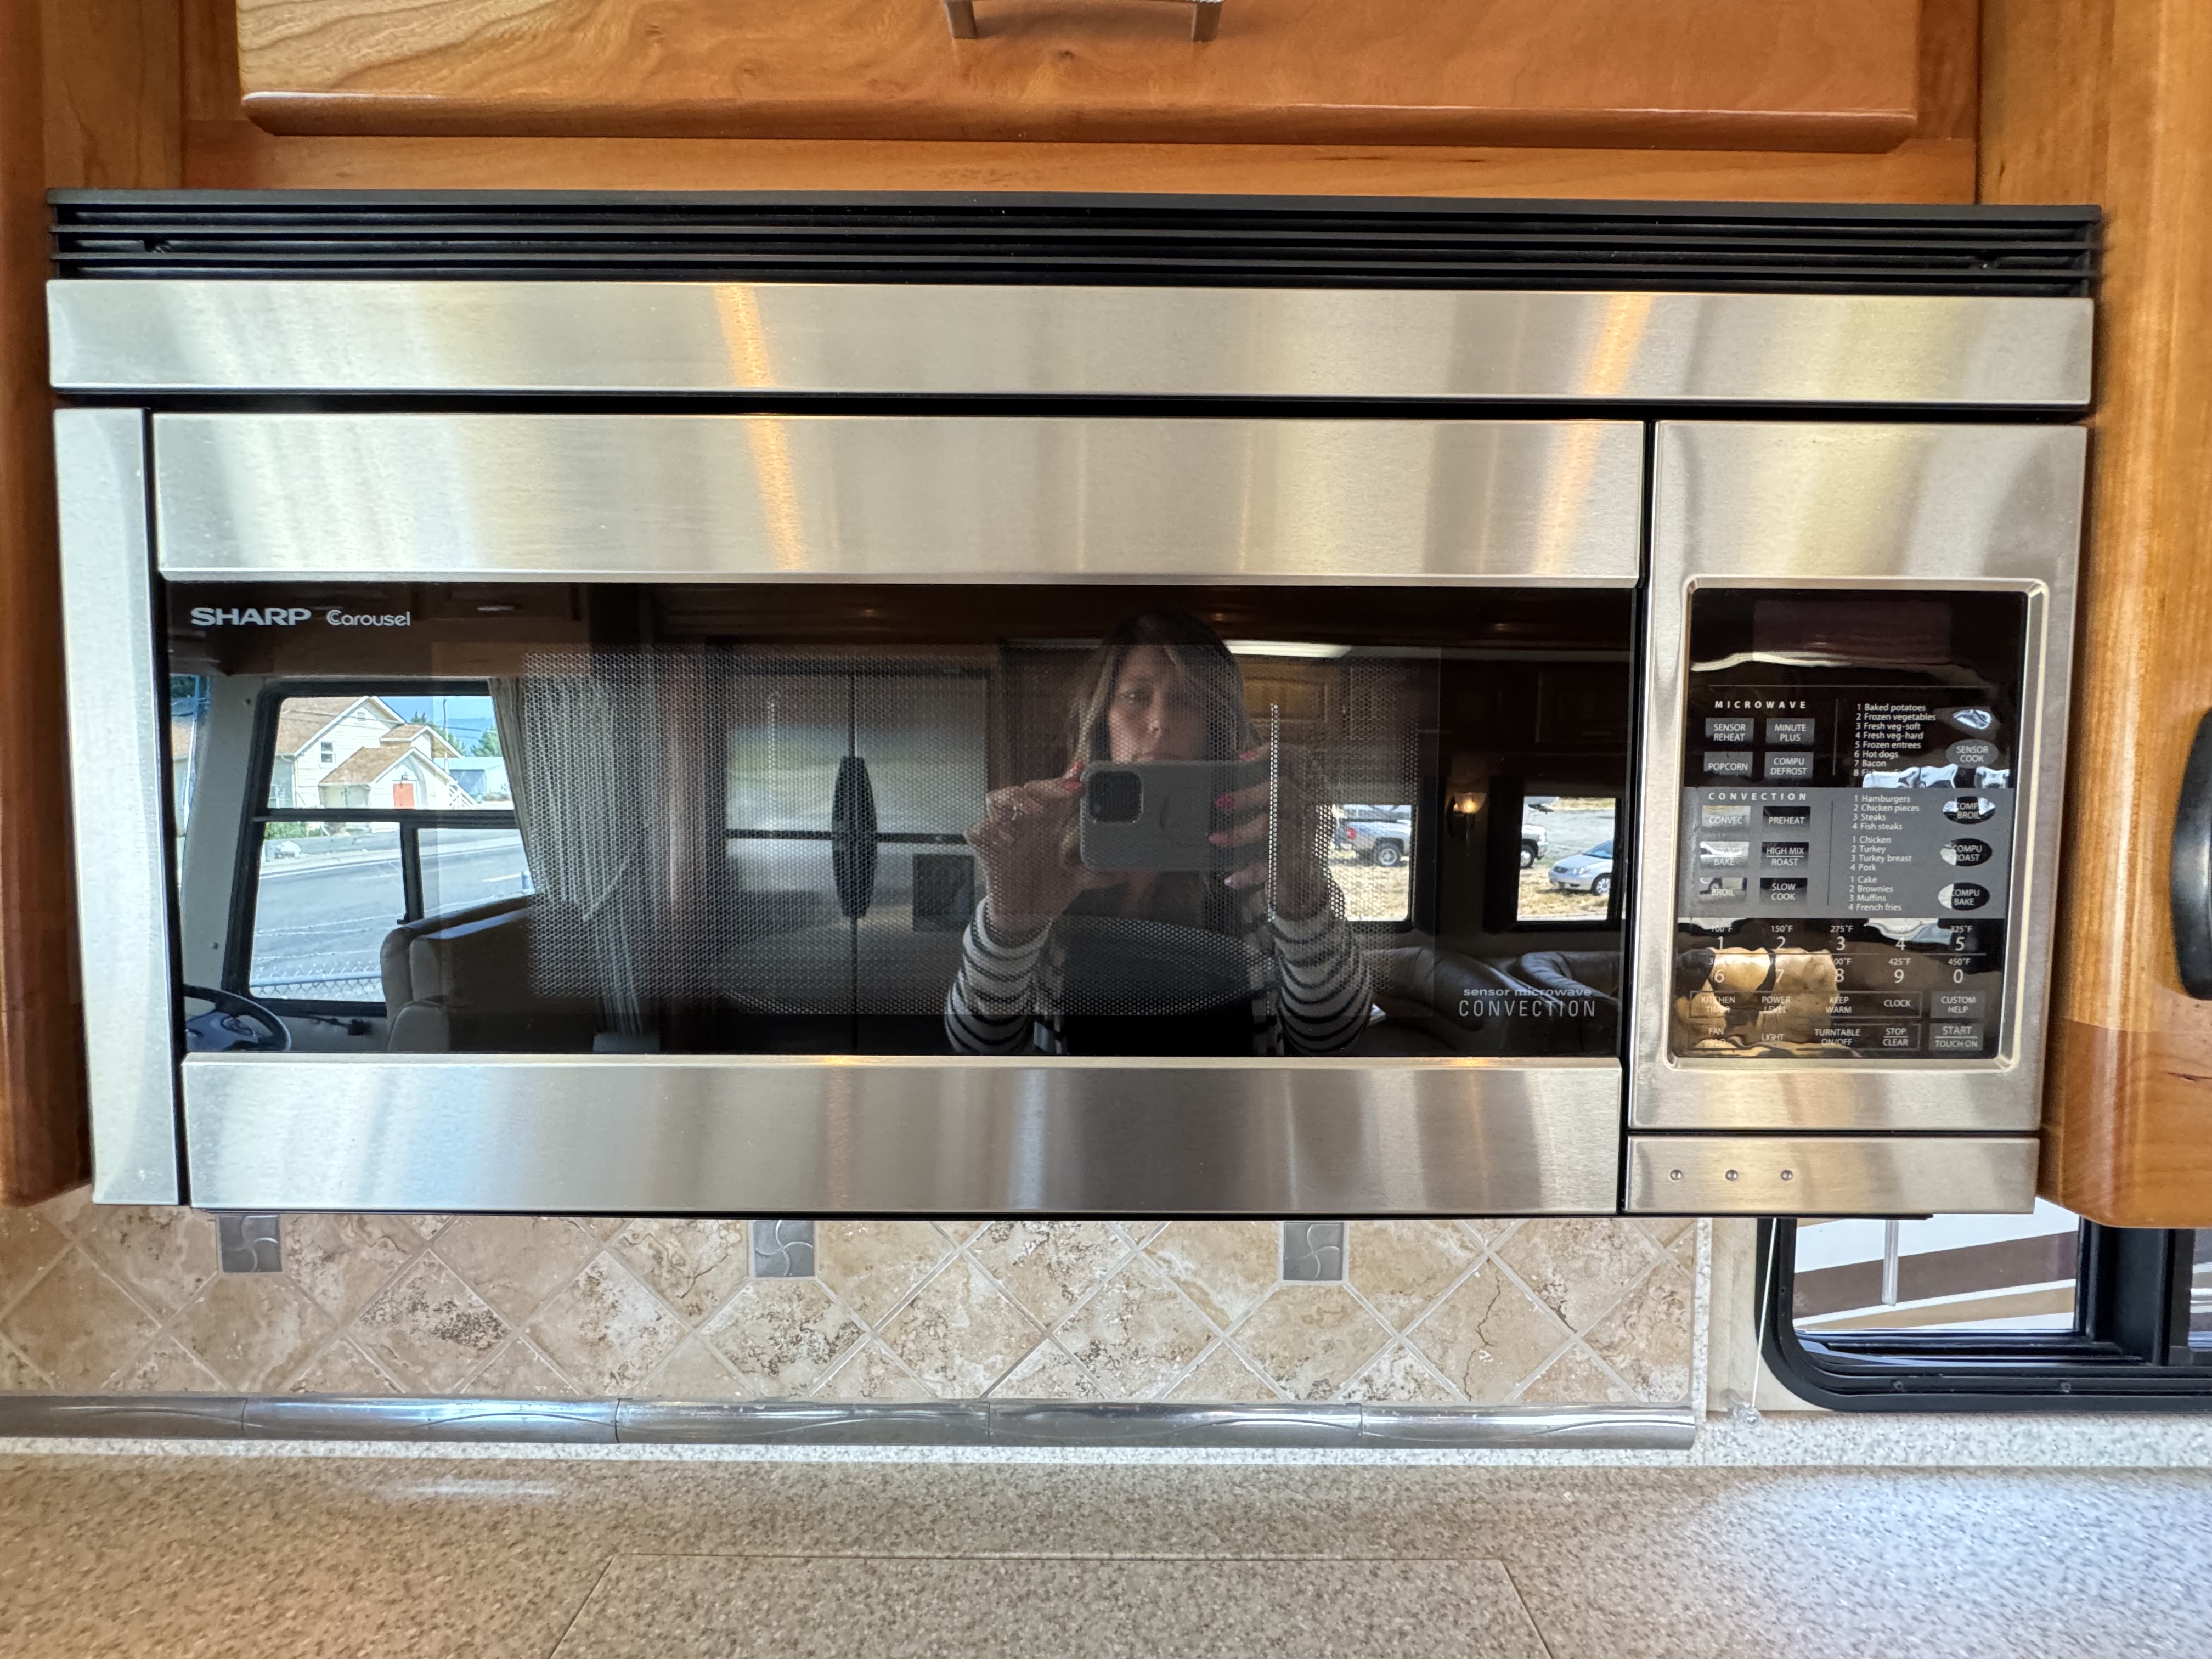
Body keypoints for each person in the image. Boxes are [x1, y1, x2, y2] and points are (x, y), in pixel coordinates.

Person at [945, 611, 1371, 1056]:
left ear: (1215, 727)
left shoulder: (1259, 866)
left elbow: (1331, 1040)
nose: (1160, 722)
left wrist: (1303, 902)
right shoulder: (1050, 868)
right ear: (1102, 722)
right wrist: (1010, 927)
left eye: (1187, 700)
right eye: (1136, 696)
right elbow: (982, 1049)